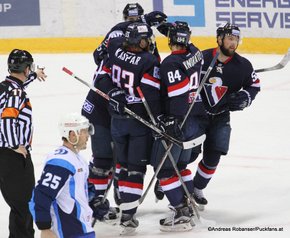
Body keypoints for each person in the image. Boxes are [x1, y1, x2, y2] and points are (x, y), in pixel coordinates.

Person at [82, 3, 167, 222]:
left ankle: (127, 193)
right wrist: (114, 93)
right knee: (103, 160)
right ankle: (95, 204)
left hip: (126, 115)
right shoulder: (115, 47)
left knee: (128, 159)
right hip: (102, 110)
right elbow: (100, 78)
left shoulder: (142, 48)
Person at [191, 22, 261, 209]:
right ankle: (168, 179)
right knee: (189, 155)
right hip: (196, 115)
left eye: (236, 39)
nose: (233, 43)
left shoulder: (243, 65)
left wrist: (246, 97)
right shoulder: (201, 58)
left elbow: (254, 85)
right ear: (220, 39)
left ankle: (196, 188)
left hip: (221, 116)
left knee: (214, 156)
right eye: (230, 38)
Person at [102, 22, 161, 235]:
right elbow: (152, 97)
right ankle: (127, 216)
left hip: (117, 120)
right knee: (135, 168)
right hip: (138, 122)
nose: (149, 42)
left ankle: (122, 199)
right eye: (146, 39)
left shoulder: (116, 51)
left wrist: (114, 93)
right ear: (138, 41)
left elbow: (103, 76)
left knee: (122, 163)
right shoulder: (149, 61)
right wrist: (158, 119)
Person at [150, 21, 204, 232]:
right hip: (195, 121)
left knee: (163, 170)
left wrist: (171, 120)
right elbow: (188, 46)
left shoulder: (170, 63)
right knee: (180, 167)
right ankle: (188, 203)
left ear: (171, 40)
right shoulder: (196, 53)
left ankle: (181, 212)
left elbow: (178, 93)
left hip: (179, 123)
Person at [0, 49, 47, 238]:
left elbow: (17, 87)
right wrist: (14, 145)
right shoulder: (16, 93)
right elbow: (7, 118)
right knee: (24, 206)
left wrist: (35, 75)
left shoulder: (6, 86)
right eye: (30, 68)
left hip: (6, 156)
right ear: (26, 68)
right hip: (13, 157)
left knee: (20, 206)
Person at [29, 113, 96, 238]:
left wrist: (95, 202)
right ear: (72, 134)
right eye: (84, 132)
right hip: (68, 230)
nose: (88, 136)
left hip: (82, 227)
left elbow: (80, 190)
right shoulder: (61, 161)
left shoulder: (78, 158)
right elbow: (42, 194)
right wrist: (45, 227)